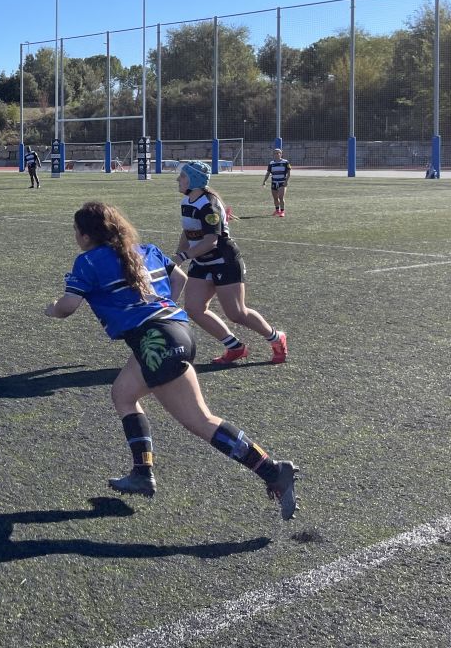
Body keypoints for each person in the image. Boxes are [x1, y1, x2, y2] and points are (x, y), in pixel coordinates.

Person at [44, 200, 298, 520]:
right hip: (177, 331)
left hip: (157, 342)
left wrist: (51, 308)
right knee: (123, 394)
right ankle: (141, 473)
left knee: (200, 421)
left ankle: (273, 471)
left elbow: (67, 306)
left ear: (84, 235)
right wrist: (162, 311)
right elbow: (179, 280)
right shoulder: (146, 249)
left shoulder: (88, 262)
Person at [175, 161, 287, 365]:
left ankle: (276, 337)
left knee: (237, 314)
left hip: (223, 260)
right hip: (202, 261)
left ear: (194, 180)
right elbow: (188, 231)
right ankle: (235, 347)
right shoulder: (187, 202)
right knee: (193, 308)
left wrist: (183, 257)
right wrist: (178, 254)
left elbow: (211, 241)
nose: (178, 180)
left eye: (182, 177)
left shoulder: (208, 204)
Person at [261, 148, 290, 217]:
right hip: (274, 183)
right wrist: (264, 181)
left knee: (281, 197)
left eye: (279, 153)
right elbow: (268, 173)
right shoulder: (271, 163)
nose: (277, 154)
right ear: (273, 154)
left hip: (282, 183)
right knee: (275, 198)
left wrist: (286, 181)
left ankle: (282, 211)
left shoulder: (286, 162)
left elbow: (289, 173)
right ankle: (277, 210)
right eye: (276, 153)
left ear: (281, 154)